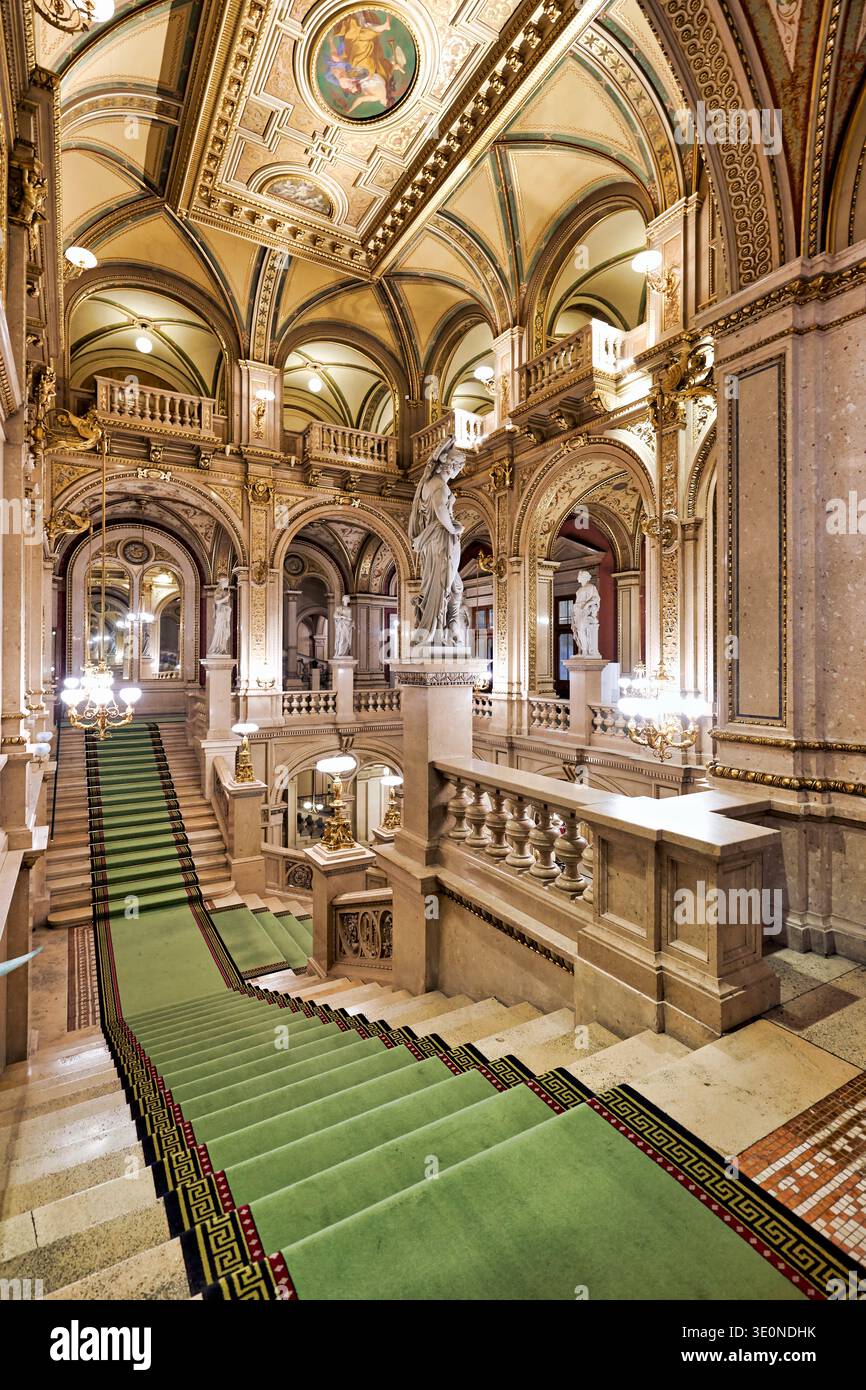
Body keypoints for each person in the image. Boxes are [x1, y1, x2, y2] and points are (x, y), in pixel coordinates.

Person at [408, 435, 468, 647]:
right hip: (442, 540)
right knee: (443, 585)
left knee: (452, 586)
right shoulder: (438, 485)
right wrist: (454, 527)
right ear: (448, 466)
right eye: (456, 468)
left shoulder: (430, 484)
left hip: (436, 541)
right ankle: (433, 630)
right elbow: (441, 510)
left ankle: (447, 626)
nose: (457, 473)